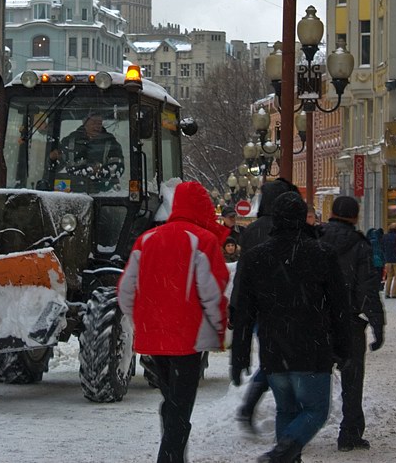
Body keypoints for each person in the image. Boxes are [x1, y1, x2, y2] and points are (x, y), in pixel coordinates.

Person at [231, 190, 351, 463]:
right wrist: (344, 348)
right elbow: (339, 307)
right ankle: (281, 453)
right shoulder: (322, 254)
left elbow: (244, 313)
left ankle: (285, 455)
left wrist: (239, 357)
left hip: (274, 349)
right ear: (302, 219)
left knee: (286, 409)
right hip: (313, 348)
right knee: (315, 411)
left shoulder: (256, 258)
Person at [117, 181, 229, 463]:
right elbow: (212, 293)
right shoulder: (203, 240)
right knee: (180, 408)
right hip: (188, 339)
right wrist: (218, 330)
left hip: (155, 338)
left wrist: (141, 320)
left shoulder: (148, 239)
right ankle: (169, 458)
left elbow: (125, 290)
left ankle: (174, 455)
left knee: (172, 403)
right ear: (202, 207)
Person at [230, 178, 298, 432]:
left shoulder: (253, 230)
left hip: (258, 306)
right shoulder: (290, 228)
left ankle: (254, 405)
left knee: (273, 358)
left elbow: (242, 272)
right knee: (280, 361)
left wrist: (237, 306)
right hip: (288, 305)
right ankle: (272, 411)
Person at [319, 195, 385, 451]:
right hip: (348, 322)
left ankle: (304, 425)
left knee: (315, 375)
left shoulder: (316, 239)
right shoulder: (361, 246)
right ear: (355, 217)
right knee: (352, 380)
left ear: (332, 213)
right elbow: (367, 291)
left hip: (319, 320)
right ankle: (350, 433)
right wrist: (378, 325)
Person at [52, 111, 124, 188]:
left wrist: (102, 172)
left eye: (99, 123)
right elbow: (54, 168)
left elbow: (118, 167)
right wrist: (52, 159)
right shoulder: (69, 141)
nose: (97, 126)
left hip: (103, 191)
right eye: (94, 123)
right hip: (73, 190)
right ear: (85, 123)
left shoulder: (111, 142)